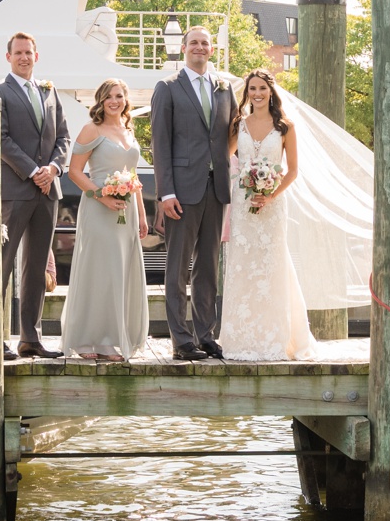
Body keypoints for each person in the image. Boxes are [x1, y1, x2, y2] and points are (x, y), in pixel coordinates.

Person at [219, 69, 318, 361]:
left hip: (272, 207)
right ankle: (239, 338)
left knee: (271, 267)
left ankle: (275, 337)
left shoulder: (285, 127)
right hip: (243, 205)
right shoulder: (239, 125)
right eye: (252, 89)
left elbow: (293, 170)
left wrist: (271, 194)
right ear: (247, 93)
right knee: (242, 266)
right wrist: (244, 182)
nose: (257, 93)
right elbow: (224, 156)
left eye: (262, 88)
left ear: (271, 91)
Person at [151, 27, 233, 361]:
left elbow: (228, 136)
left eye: (205, 43)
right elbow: (160, 142)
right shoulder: (167, 88)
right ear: (184, 48)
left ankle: (206, 335)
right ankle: (180, 341)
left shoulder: (224, 89)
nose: (199, 47)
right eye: (194, 42)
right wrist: (165, 192)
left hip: (216, 189)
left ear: (211, 50)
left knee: (208, 268)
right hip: (181, 191)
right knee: (177, 267)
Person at [62, 78, 151, 360]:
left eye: (120, 96)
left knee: (121, 271)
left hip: (128, 210)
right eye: (109, 96)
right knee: (100, 270)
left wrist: (142, 214)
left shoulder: (127, 129)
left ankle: (114, 335)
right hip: (99, 208)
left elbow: (133, 175)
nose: (115, 101)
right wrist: (101, 196)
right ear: (101, 100)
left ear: (126, 100)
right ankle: (90, 339)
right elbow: (75, 172)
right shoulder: (92, 130)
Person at [0, 31, 71, 360]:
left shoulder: (49, 92)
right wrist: (32, 171)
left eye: (29, 52)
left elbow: (64, 137)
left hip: (48, 191)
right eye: (19, 53)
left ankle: (31, 338)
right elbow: (1, 138)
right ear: (8, 57)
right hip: (16, 189)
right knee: (3, 263)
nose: (24, 57)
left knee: (37, 265)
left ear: (36, 56)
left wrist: (53, 169)